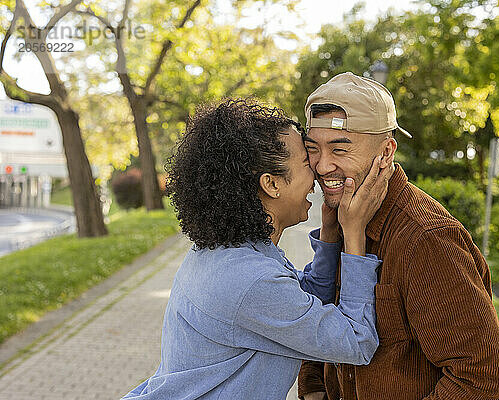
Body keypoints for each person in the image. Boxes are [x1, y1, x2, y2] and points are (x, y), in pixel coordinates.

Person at [121, 99, 393, 400]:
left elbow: (304, 303)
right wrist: (354, 234)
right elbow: (356, 342)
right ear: (272, 184)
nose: (318, 171)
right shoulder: (251, 280)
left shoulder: (234, 253)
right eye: (307, 161)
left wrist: (331, 232)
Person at [298, 72, 499, 400]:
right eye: (313, 148)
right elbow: (323, 322)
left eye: (339, 150)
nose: (322, 166)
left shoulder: (425, 239)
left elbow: (482, 376)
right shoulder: (348, 216)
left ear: (386, 152)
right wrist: (314, 386)